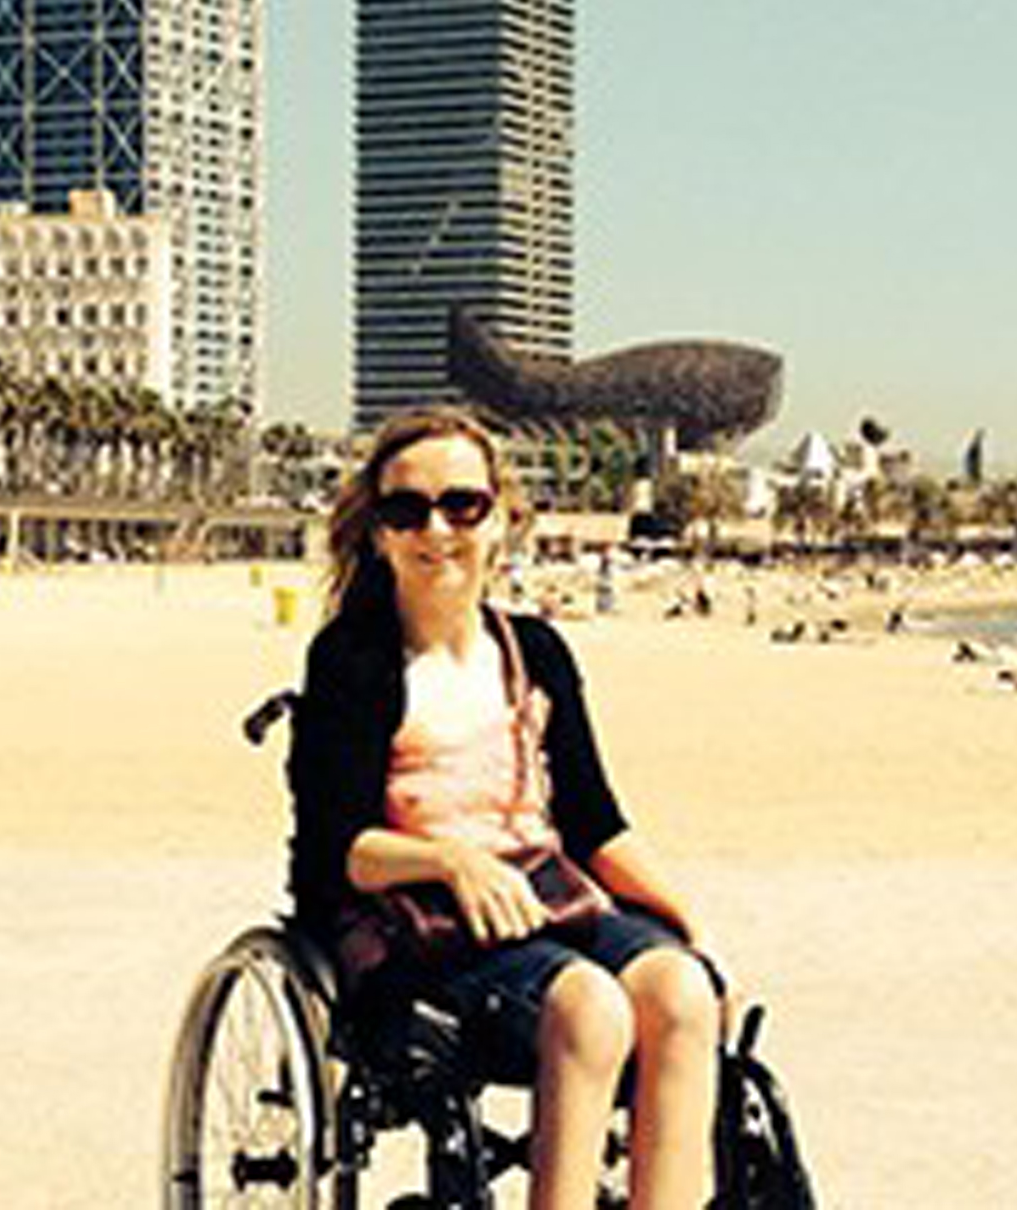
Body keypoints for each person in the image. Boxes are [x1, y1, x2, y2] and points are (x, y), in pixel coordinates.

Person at [288, 407, 727, 1210]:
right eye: (405, 509)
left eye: (462, 505)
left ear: (501, 519)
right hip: (417, 917)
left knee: (682, 994)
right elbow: (338, 844)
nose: (436, 529)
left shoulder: (538, 653)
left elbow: (595, 823)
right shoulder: (354, 659)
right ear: (379, 532)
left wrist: (678, 916)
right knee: (592, 1008)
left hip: (543, 891)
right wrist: (452, 860)